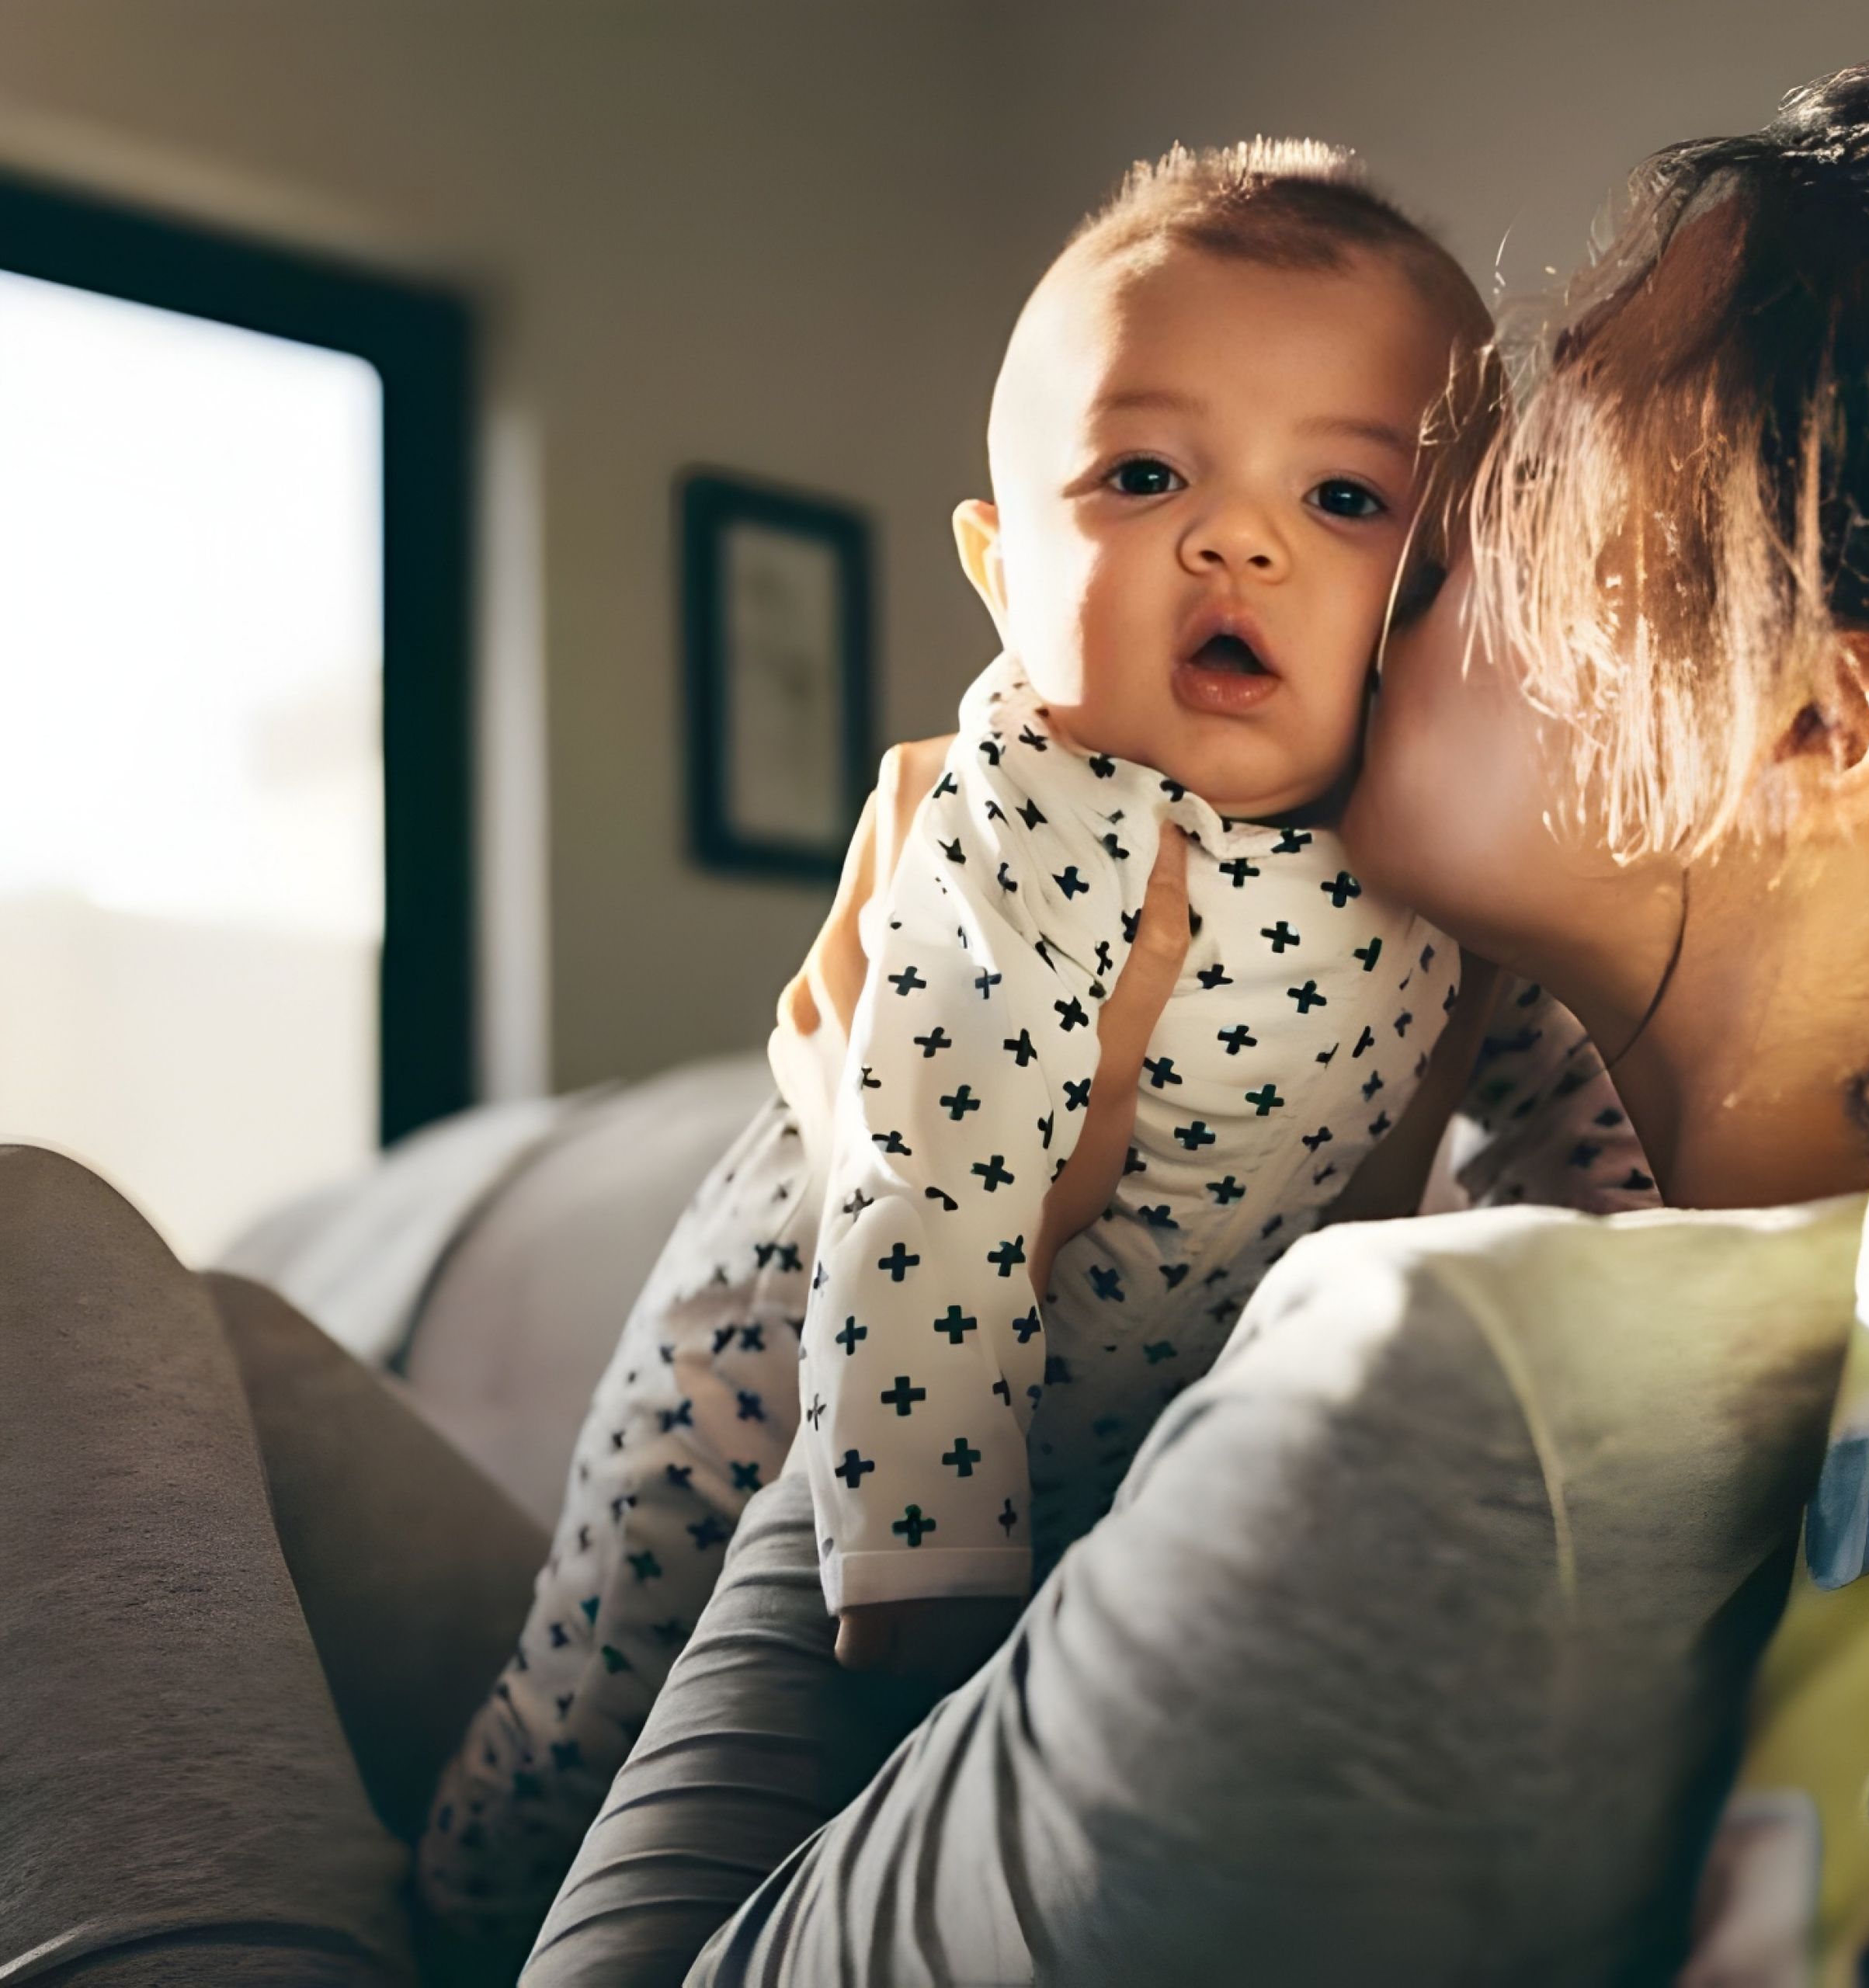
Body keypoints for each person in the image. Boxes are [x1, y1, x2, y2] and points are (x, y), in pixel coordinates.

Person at [2, 45, 1869, 1988]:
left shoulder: (1436, 1421)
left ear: (1825, 719)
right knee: (228, 1348)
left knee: (30, 1254)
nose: (1426, 541)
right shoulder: (1759, 1300)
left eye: (1517, 475)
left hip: (771, 1685)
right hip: (712, 1570)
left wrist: (915, 1166)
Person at [418, 140, 1504, 1956]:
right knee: (576, 1728)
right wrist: (917, 1530)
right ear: (1000, 570)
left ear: (1455, 572)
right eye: (1142, 473)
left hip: (1074, 1454)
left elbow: (1557, 1106)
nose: (1233, 536)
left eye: (1343, 495)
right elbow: (935, 1158)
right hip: (786, 1405)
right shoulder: (1036, 795)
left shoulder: (1434, 842)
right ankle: (447, 1905)